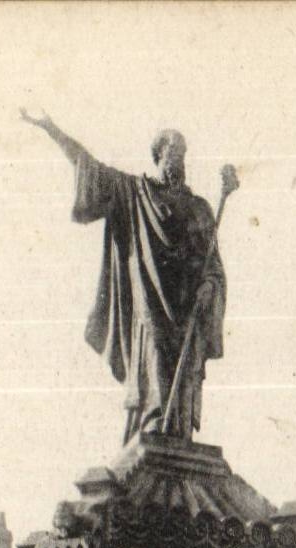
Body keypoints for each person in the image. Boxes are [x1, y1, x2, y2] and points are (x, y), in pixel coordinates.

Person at [20, 110, 226, 442]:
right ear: (159, 155)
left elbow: (213, 263)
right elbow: (87, 166)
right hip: (150, 299)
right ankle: (153, 423)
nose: (180, 160)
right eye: (174, 152)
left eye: (183, 154)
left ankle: (177, 433)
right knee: (155, 354)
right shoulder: (134, 193)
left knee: (183, 369)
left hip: (186, 305)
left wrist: (210, 285)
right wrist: (50, 128)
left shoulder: (199, 208)